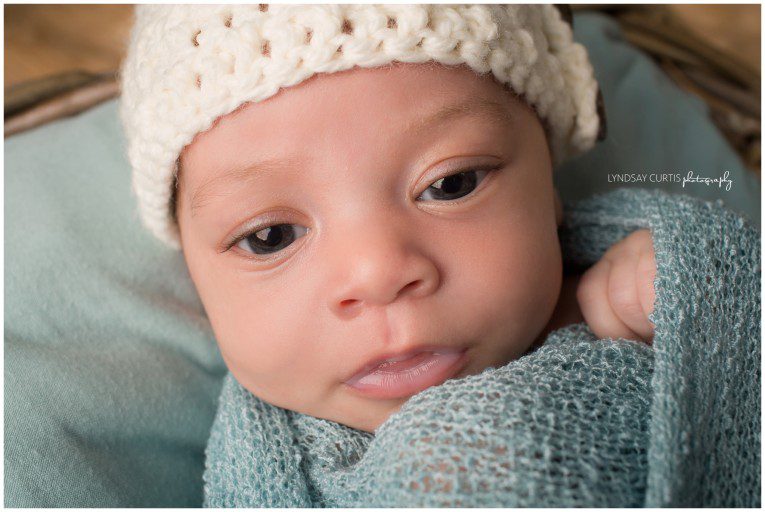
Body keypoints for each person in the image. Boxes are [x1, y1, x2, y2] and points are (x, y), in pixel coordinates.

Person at [119, 5, 758, 507]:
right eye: (270, 237)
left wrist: (697, 289)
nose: (378, 273)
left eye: (449, 184)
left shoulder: (642, 297)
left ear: (551, 190)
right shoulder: (265, 467)